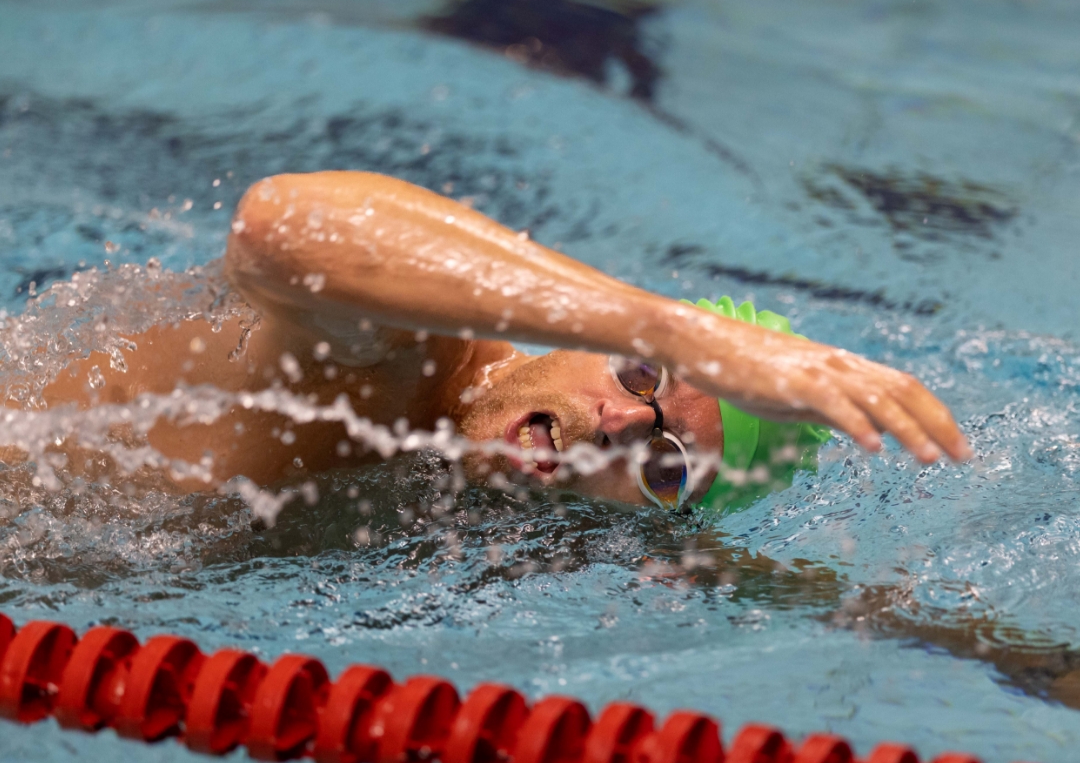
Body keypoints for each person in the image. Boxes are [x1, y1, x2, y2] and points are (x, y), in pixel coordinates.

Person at [23, 171, 971, 508]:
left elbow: (757, 585)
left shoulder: (494, 504)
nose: (616, 429)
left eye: (666, 470)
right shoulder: (408, 356)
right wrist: (668, 327)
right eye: (640, 378)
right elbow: (280, 228)